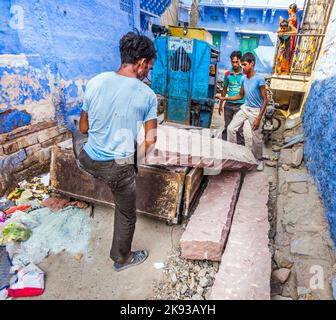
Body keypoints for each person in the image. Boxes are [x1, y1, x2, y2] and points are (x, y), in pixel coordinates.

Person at [77, 32, 158, 272]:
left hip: (87, 158)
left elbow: (83, 128)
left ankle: (95, 168)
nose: (148, 73)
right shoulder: (147, 95)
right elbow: (151, 142)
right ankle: (122, 258)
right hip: (116, 169)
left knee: (86, 140)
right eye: (149, 67)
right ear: (141, 63)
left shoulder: (95, 81)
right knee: (126, 213)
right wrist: (130, 163)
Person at [215, 52, 268, 171]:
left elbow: (265, 99)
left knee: (256, 138)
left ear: (252, 63)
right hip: (245, 107)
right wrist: (224, 98)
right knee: (230, 128)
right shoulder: (243, 79)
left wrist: (259, 118)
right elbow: (240, 95)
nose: (243, 67)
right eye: (242, 64)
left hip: (256, 111)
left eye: (245, 64)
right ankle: (234, 154)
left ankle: (258, 159)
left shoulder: (259, 79)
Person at [219, 51, 246, 145]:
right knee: (227, 127)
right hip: (228, 104)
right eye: (232, 62)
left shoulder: (245, 74)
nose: (234, 64)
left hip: (241, 105)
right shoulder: (227, 74)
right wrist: (220, 105)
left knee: (239, 129)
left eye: (236, 62)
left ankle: (242, 150)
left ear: (240, 61)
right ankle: (226, 148)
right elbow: (224, 90)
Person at [275, 4, 298, 75]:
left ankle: (284, 70)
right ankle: (280, 69)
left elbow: (294, 30)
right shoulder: (290, 18)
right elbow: (279, 30)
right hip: (284, 38)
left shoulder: (292, 18)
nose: (288, 10)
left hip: (289, 38)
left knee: (286, 54)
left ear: (291, 9)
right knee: (281, 54)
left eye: (288, 9)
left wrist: (285, 32)